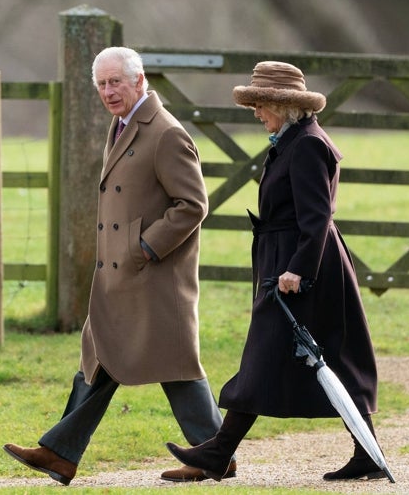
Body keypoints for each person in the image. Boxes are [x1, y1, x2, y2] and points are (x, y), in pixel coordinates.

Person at [3, 46, 236, 485]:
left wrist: (145, 247)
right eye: (102, 84)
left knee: (175, 364)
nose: (109, 91)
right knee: (100, 357)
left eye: (116, 82)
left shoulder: (165, 132)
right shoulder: (123, 124)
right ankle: (61, 453)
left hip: (152, 276)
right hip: (121, 277)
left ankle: (212, 453)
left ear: (139, 81)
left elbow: (193, 204)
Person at [165, 61, 388, 482]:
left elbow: (317, 216)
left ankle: (219, 452)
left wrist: (297, 271)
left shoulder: (306, 146)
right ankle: (367, 454)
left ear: (282, 106)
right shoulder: (293, 140)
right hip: (291, 261)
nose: (255, 113)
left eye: (260, 104)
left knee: (282, 355)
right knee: (296, 356)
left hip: (302, 268)